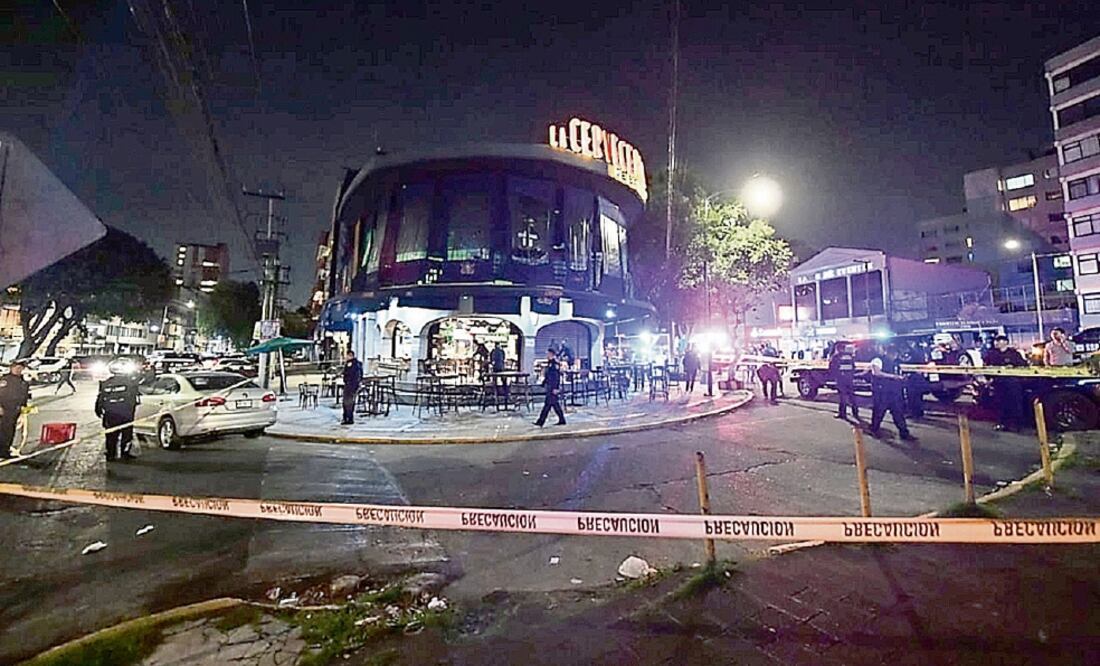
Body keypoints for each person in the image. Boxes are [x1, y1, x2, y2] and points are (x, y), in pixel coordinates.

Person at [868, 345, 915, 441]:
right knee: (879, 412)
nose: (895, 356)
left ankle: (904, 433)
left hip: (894, 391)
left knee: (898, 412)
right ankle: (874, 429)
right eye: (894, 354)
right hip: (882, 391)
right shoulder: (877, 360)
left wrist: (902, 378)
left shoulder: (896, 363)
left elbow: (897, 374)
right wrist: (893, 376)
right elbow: (876, 373)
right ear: (888, 352)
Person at [983, 335, 1028, 431]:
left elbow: (1023, 365)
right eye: (996, 341)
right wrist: (989, 378)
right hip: (999, 383)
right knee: (1000, 404)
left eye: (998, 341)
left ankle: (1016, 425)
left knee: (1015, 404)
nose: (996, 343)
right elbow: (986, 367)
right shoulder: (992, 354)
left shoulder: (1014, 354)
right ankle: (1002, 423)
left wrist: (1012, 367)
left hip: (1013, 383)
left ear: (1005, 342)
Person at [95, 369, 139, 461]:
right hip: (125, 413)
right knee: (126, 435)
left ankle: (110, 454)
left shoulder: (105, 383)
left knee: (111, 435)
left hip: (110, 414)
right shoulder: (130, 383)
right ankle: (125, 453)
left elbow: (100, 398)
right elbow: (134, 398)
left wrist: (98, 410)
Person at [0, 361, 30, 459]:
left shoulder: (22, 380)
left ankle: (5, 450)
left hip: (15, 409)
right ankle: (2, 450)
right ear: (11, 368)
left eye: (21, 368)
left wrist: (24, 407)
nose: (19, 370)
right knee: (3, 430)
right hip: (5, 408)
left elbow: (24, 395)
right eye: (17, 368)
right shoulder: (5, 380)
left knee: (10, 431)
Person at [534, 348, 566, 427]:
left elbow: (556, 377)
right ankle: (561, 420)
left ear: (551, 354)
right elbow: (548, 375)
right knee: (553, 404)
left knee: (548, 405)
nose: (547, 355)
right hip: (550, 386)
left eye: (548, 354)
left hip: (552, 387)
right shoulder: (551, 363)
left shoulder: (554, 364)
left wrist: (556, 388)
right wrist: (543, 383)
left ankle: (541, 421)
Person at [829, 342, 859, 420]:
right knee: (852, 396)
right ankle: (855, 412)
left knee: (842, 397)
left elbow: (832, 368)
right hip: (849, 379)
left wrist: (836, 377)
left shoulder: (836, 357)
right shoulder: (849, 356)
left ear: (838, 349)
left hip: (841, 379)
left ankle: (842, 413)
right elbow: (853, 367)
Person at [900, 342, 929, 418]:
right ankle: (918, 412)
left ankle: (914, 412)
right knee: (918, 396)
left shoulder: (914, 352)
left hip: (914, 376)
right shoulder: (920, 350)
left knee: (912, 395)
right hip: (918, 376)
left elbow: (908, 361)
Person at [341, 350, 363, 425]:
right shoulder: (357, 364)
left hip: (350, 385)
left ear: (350, 356)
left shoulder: (351, 364)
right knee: (348, 402)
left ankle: (348, 417)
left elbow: (350, 374)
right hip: (352, 385)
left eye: (347, 356)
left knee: (347, 402)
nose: (346, 357)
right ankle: (348, 417)